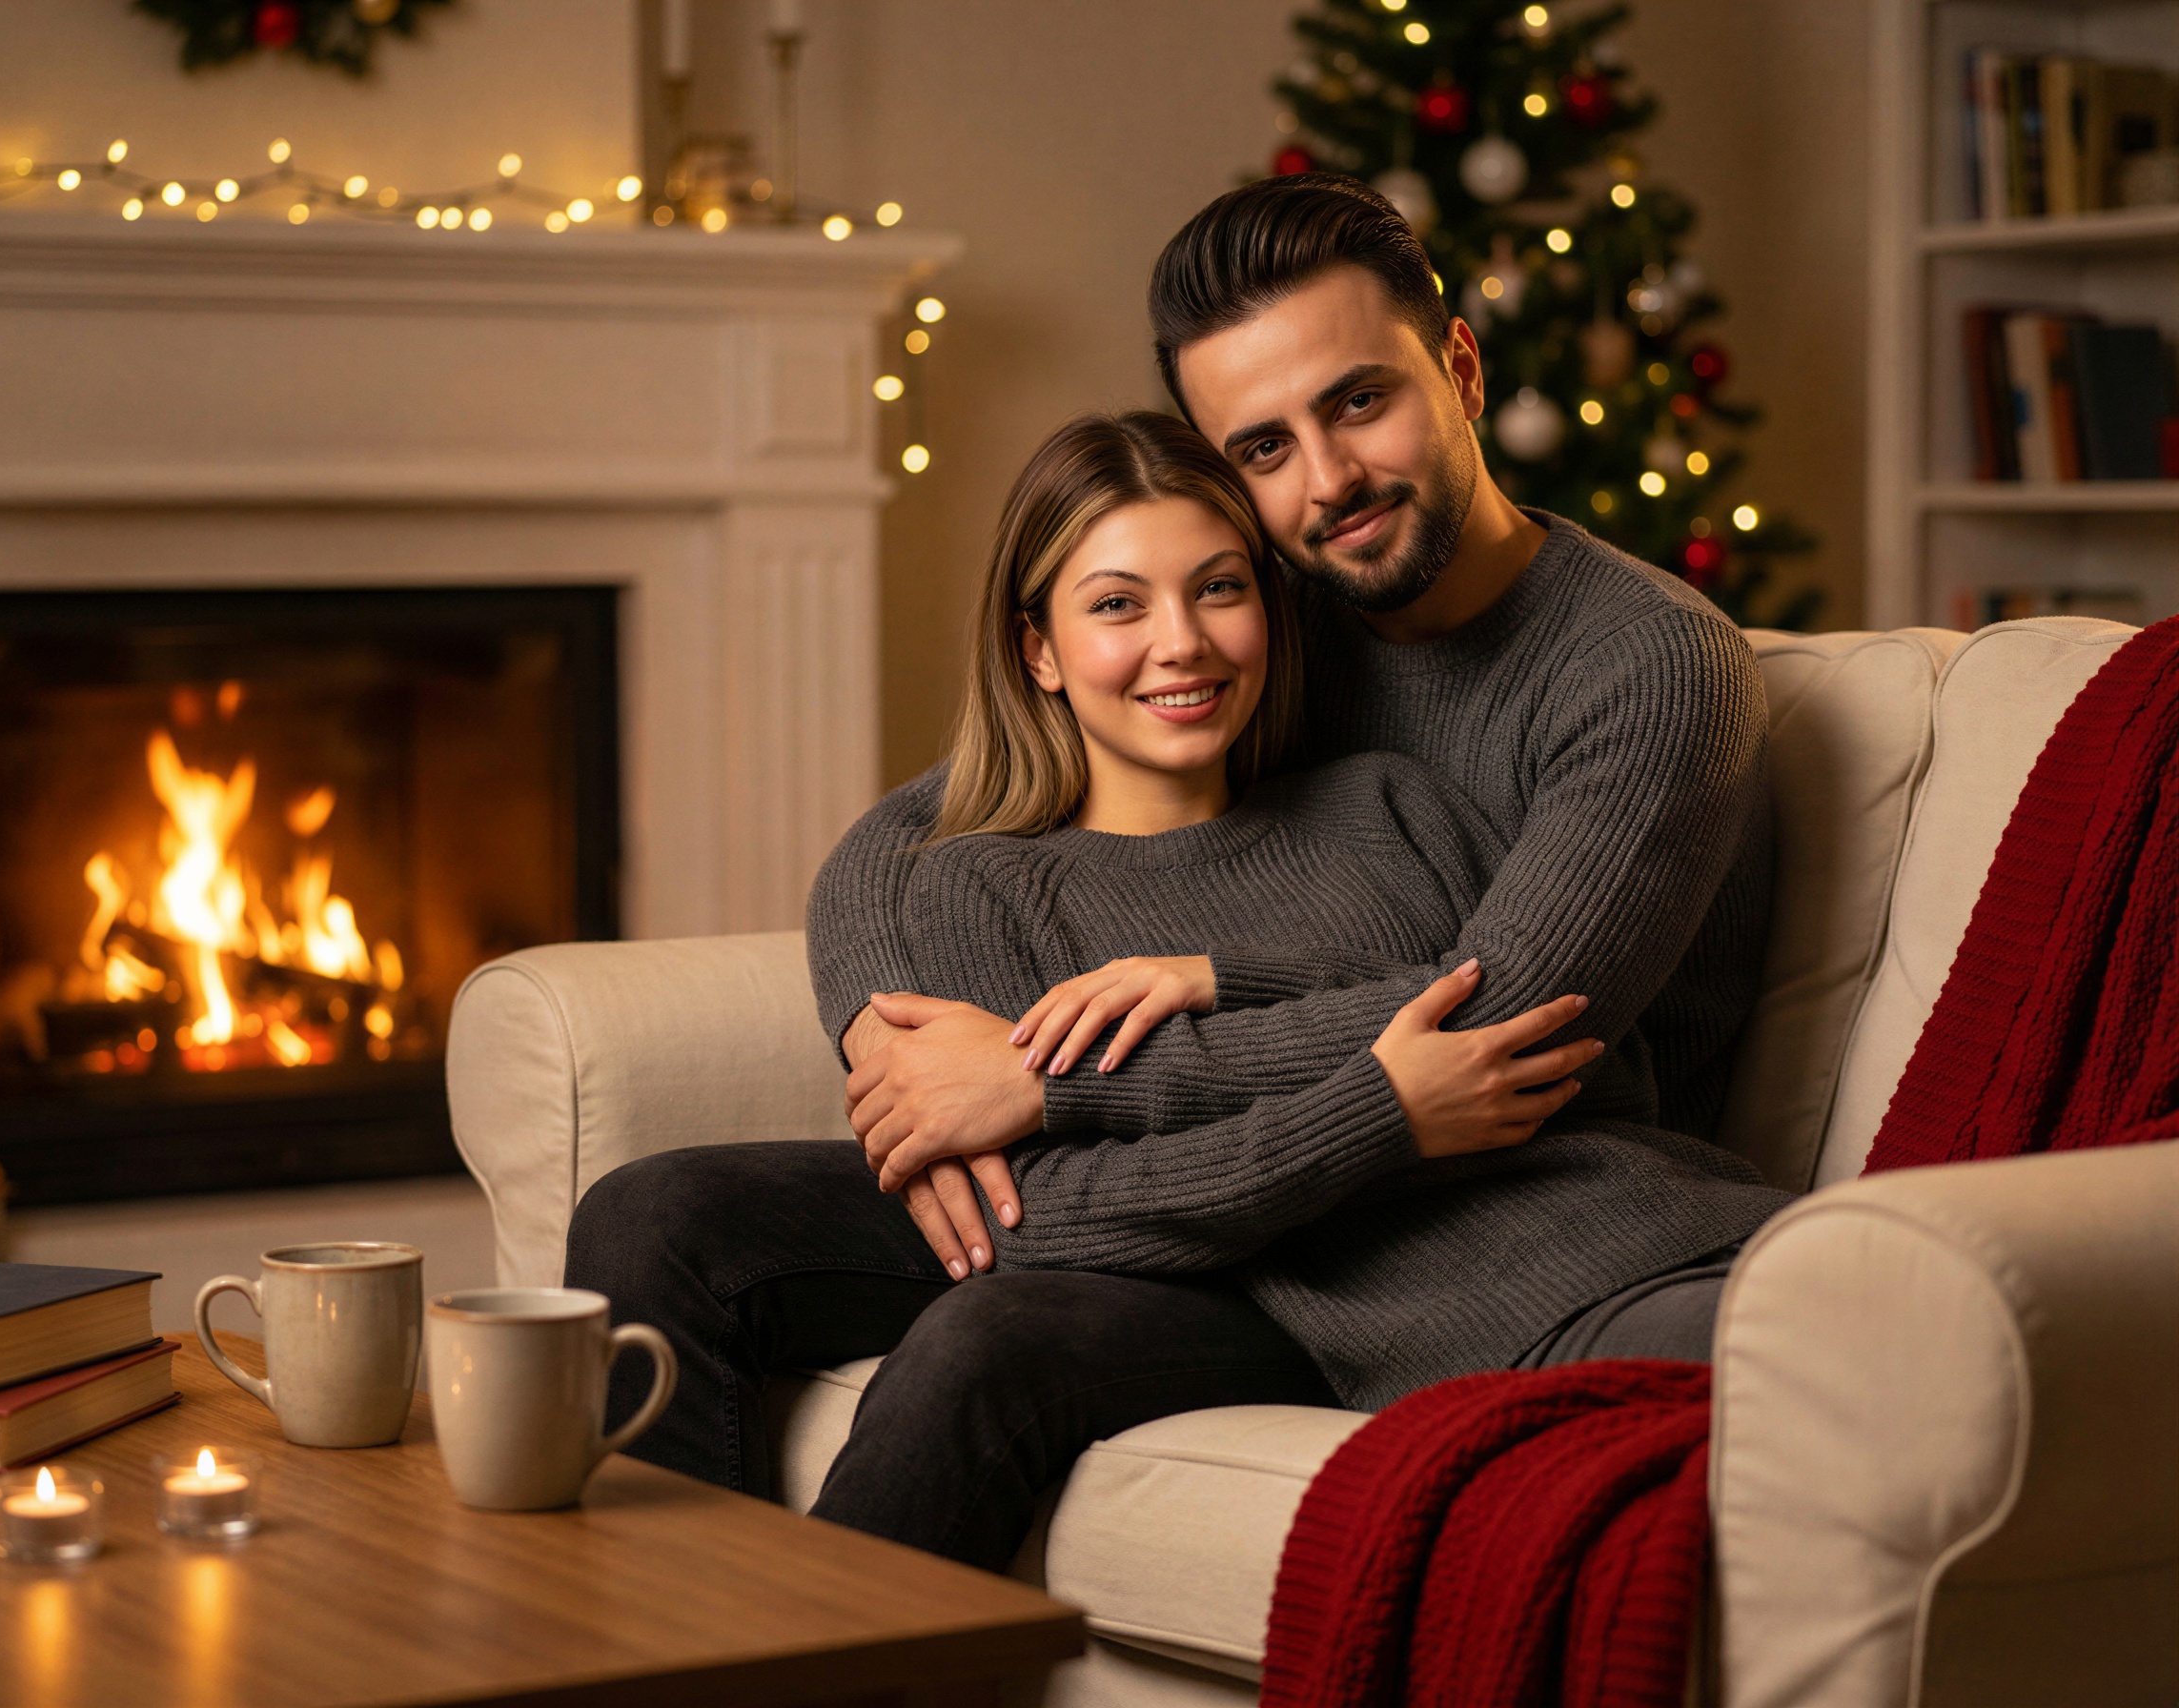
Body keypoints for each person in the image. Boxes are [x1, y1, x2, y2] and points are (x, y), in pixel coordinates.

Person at [566, 397, 1787, 1570]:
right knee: (746, 1247)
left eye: (1221, 587)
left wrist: (1218, 984)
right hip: (1356, 1289)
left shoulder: (1392, 803)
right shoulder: (977, 890)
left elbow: (1569, 1057)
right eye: (1117, 604)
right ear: (1037, 649)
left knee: (1855, 1353)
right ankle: (701, 1645)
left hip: (1638, 1231)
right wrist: (1381, 1102)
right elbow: (1044, 1218)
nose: (1184, 643)